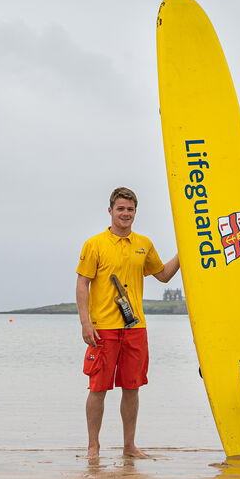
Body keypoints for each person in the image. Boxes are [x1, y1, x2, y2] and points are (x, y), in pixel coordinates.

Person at [76, 186, 179, 460]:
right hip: (103, 328)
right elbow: (83, 283)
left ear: (135, 212)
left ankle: (129, 446)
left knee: (132, 388)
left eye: (130, 209)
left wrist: (185, 252)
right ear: (110, 211)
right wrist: (86, 323)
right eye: (120, 209)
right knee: (98, 388)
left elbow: (164, 275)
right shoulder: (94, 244)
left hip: (135, 328)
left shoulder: (143, 244)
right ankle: (93, 447)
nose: (125, 214)